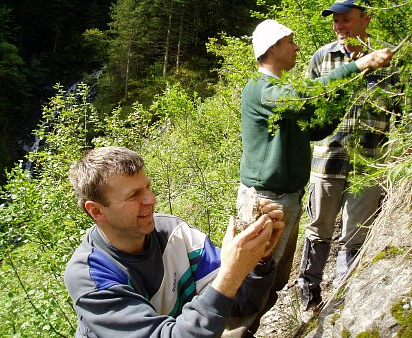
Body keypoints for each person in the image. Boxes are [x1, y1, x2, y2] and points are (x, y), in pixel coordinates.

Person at [225, 19, 393, 337]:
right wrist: (356, 65)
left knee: (271, 282)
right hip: (265, 201)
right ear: (273, 48)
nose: (297, 47)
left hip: (282, 199)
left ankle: (244, 333)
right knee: (251, 283)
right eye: (291, 42)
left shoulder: (281, 92)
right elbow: (306, 99)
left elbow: (316, 126)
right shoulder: (262, 89)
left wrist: (352, 84)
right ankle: (232, 333)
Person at [64, 145, 286, 337]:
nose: (151, 200)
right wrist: (230, 275)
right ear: (97, 211)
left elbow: (242, 302)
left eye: (148, 187)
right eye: (134, 195)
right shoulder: (92, 277)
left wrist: (259, 258)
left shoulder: (174, 233)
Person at [297, 0, 400, 311]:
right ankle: (309, 293)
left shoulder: (388, 58)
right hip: (327, 160)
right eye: (335, 21)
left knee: (356, 235)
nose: (339, 26)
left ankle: (344, 298)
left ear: (365, 20)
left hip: (369, 162)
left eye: (346, 20)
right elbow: (305, 106)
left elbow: (401, 107)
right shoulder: (322, 58)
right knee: (318, 230)